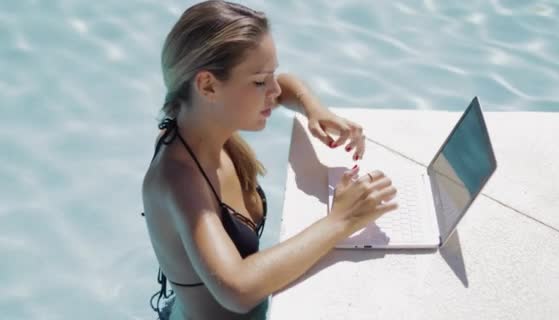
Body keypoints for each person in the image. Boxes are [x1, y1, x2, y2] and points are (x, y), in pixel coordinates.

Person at [141, 1, 398, 319]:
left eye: (270, 75)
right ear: (208, 85)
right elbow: (237, 290)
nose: (274, 90)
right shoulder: (180, 180)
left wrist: (316, 111)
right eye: (260, 81)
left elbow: (287, 85)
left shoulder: (203, 121)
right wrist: (342, 219)